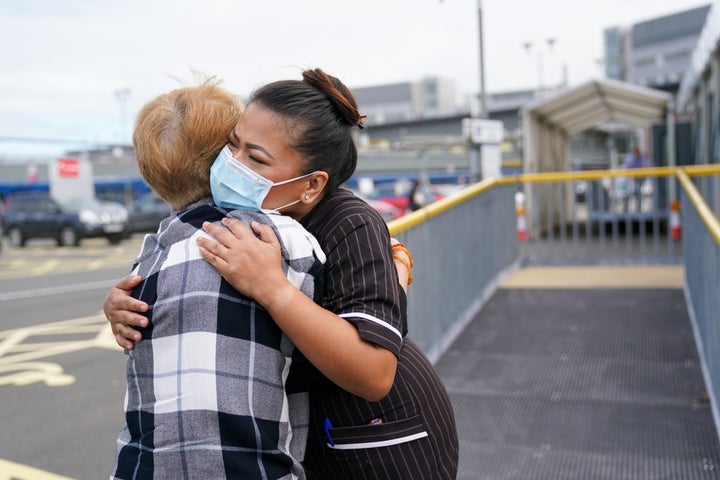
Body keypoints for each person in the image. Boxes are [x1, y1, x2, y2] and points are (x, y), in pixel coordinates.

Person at [105, 68, 459, 479]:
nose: (232, 165)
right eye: (231, 146)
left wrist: (274, 289)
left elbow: (375, 373)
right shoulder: (256, 217)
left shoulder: (349, 221)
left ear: (311, 185)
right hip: (318, 441)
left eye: (256, 158)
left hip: (380, 443)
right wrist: (127, 301)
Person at [109, 79, 326, 480]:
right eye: (234, 144)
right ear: (221, 160)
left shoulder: (150, 255)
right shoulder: (276, 237)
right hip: (249, 468)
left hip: (140, 468)